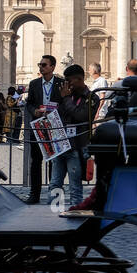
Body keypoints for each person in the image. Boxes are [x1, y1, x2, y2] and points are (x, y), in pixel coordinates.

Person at [52, 64, 94, 210]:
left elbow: (80, 116)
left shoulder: (91, 98)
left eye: (69, 81)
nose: (67, 84)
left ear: (79, 79)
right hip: (61, 144)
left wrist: (67, 98)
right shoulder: (67, 96)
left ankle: (75, 218)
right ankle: (52, 215)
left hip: (77, 146)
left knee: (75, 187)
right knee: (55, 184)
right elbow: (59, 115)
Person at [23, 55, 60, 203]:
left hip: (53, 125)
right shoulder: (33, 84)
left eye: (44, 65)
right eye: (40, 64)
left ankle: (54, 195)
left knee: (54, 162)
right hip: (37, 125)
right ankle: (34, 194)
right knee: (36, 161)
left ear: (52, 67)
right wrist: (34, 111)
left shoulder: (61, 84)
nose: (41, 67)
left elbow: (64, 102)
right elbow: (29, 103)